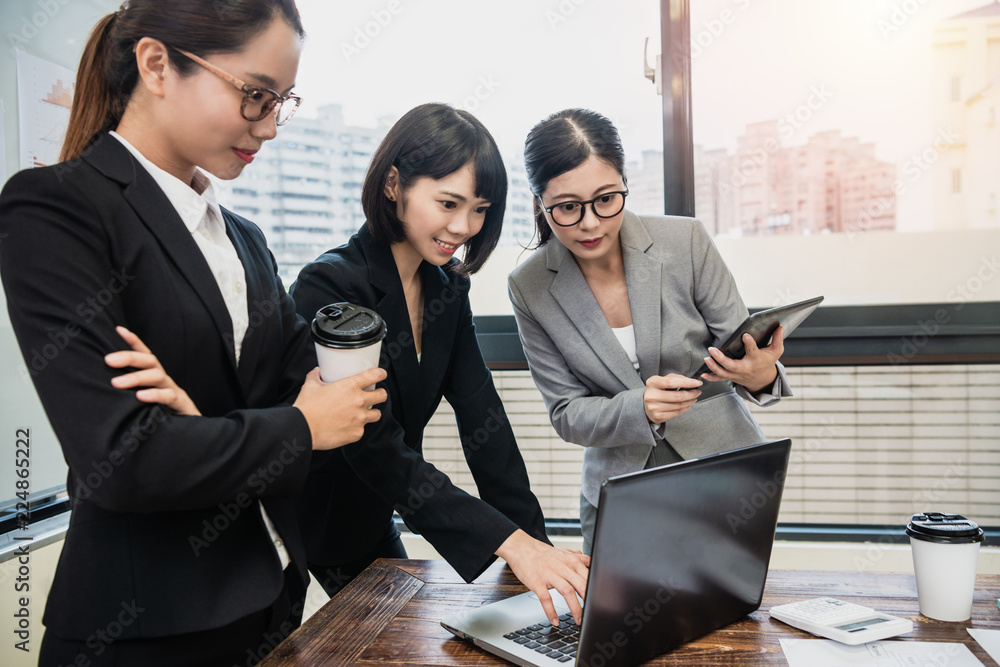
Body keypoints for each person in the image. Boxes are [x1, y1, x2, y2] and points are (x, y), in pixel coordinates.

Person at [0, 2, 387, 665]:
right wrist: (293, 425)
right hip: (141, 636)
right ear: (157, 64)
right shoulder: (56, 208)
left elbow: (340, 408)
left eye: (282, 101)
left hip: (270, 603)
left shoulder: (246, 240)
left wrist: (202, 424)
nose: (268, 127)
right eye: (254, 95)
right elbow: (124, 460)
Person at [288, 103, 590, 626]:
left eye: (479, 209)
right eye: (448, 202)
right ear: (392, 185)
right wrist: (509, 543)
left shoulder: (447, 287)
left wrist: (539, 549)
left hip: (375, 513)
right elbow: (372, 443)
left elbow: (483, 419)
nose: (463, 227)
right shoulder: (332, 285)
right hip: (309, 518)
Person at [507, 108, 792, 554]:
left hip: (724, 474)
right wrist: (639, 406)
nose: (590, 222)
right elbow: (566, 413)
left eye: (606, 199)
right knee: (618, 622)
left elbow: (742, 352)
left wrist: (761, 375)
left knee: (732, 618)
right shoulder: (530, 287)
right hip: (619, 491)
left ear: (624, 184)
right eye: (566, 207)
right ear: (540, 203)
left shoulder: (686, 242)